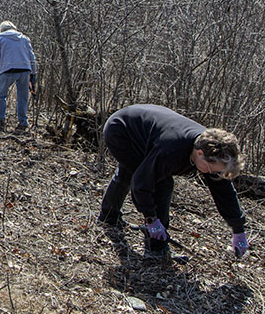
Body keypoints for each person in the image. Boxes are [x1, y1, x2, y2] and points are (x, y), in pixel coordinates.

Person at [98, 104, 249, 259]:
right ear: (199, 153)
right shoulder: (172, 151)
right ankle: (156, 248)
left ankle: (109, 217)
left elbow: (224, 192)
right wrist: (152, 220)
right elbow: (142, 184)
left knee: (133, 171)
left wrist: (238, 230)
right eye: (211, 170)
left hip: (145, 131)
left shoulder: (212, 154)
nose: (212, 174)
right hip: (121, 130)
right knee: (160, 183)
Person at [0, 21, 37, 132]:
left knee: (1, 95)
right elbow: (32, 57)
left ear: (2, 29)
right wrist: (33, 73)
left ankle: (0, 121)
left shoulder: (0, 38)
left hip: (7, 70)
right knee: (22, 97)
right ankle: (23, 123)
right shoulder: (24, 38)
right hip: (25, 70)